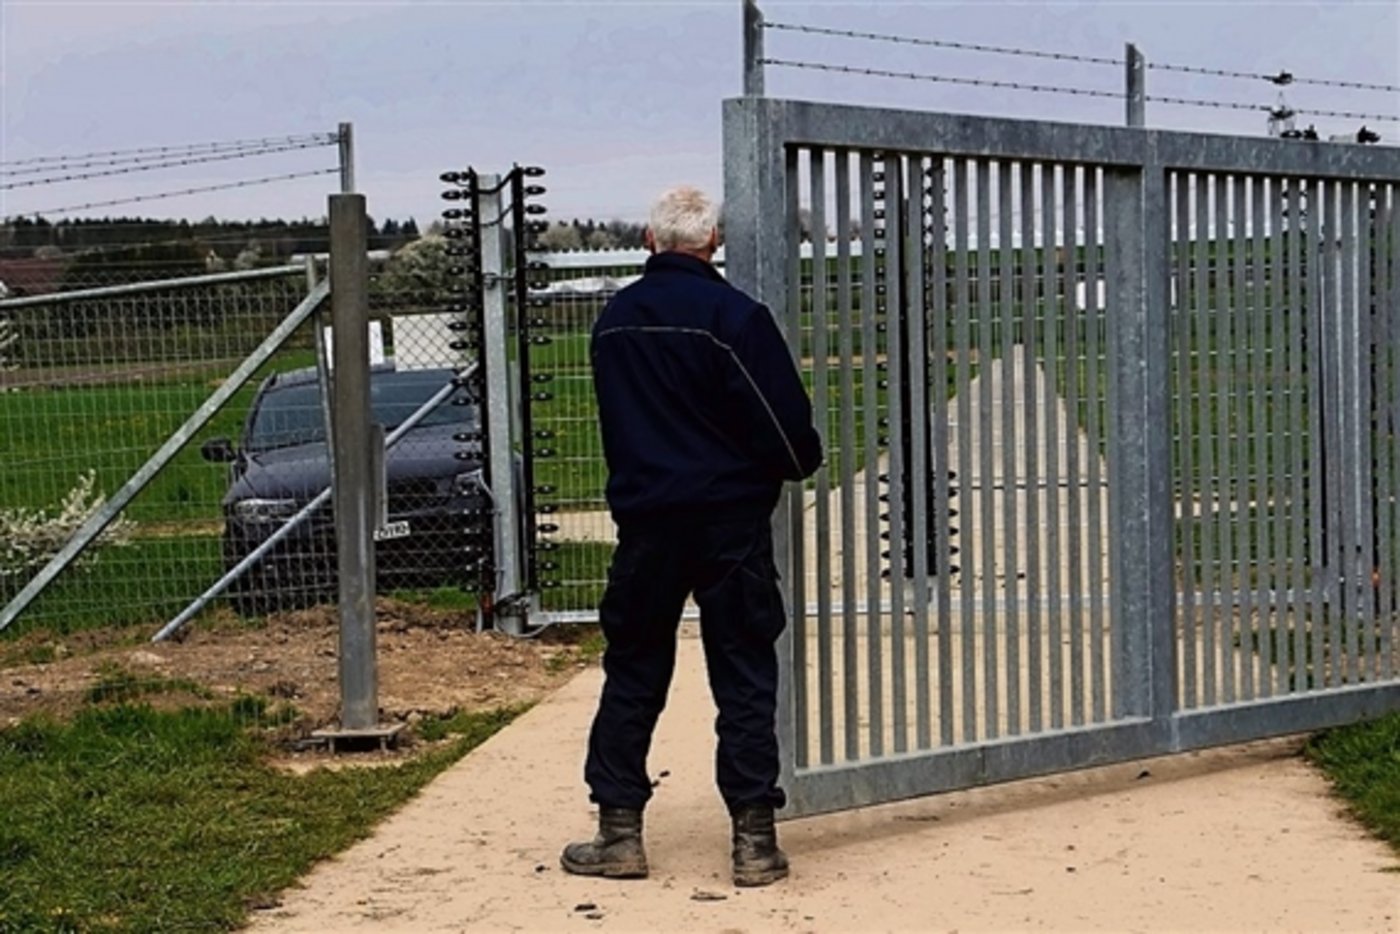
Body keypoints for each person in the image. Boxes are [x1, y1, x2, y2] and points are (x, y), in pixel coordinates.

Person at [560, 185, 822, 887]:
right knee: (742, 672)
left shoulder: (614, 322)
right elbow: (785, 429)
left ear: (650, 241)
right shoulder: (735, 318)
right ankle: (754, 842)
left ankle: (618, 833)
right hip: (730, 524)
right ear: (713, 245)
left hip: (647, 523)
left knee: (635, 667)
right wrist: (792, 463)